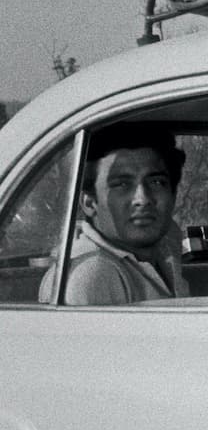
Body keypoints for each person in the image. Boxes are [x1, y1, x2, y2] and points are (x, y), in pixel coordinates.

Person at [38, 123, 188, 304]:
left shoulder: (166, 248)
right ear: (89, 203)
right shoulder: (92, 274)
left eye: (156, 182)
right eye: (122, 185)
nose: (143, 198)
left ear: (173, 194)